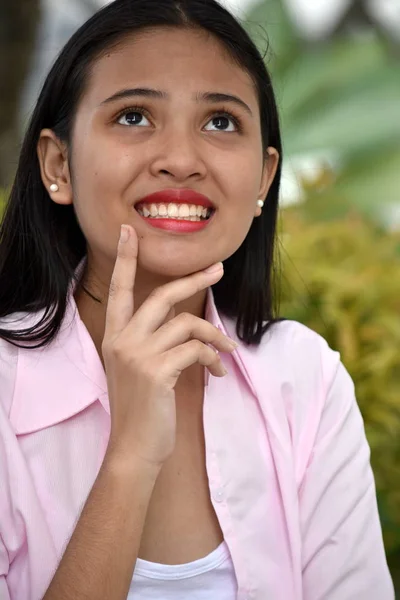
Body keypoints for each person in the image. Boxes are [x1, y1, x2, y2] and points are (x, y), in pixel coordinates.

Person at [0, 0, 394, 598]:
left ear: (264, 179)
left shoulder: (305, 380)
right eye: (133, 116)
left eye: (220, 123)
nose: (181, 161)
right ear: (59, 165)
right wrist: (129, 457)